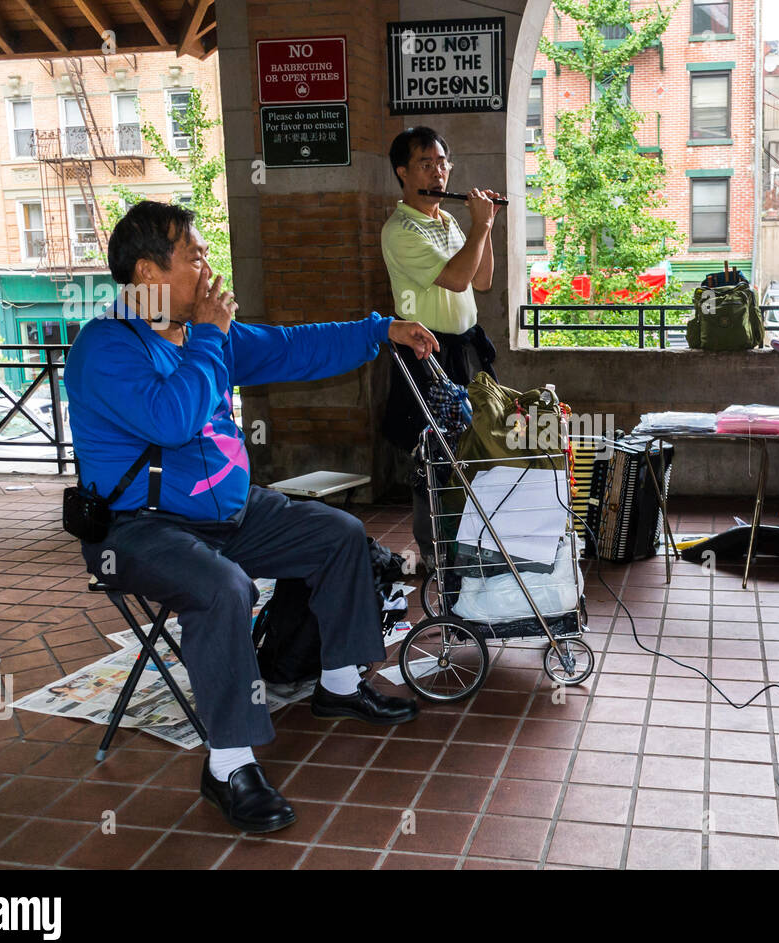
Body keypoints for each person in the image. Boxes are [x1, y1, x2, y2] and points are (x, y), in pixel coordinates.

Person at [65, 201, 440, 833]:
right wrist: (211, 336)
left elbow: (294, 348)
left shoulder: (205, 336)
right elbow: (172, 420)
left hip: (230, 512)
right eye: (196, 257)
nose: (210, 270)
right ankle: (228, 766)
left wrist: (381, 331)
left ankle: (340, 685)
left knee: (340, 535)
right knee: (221, 589)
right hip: (139, 528)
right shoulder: (103, 348)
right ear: (150, 274)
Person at [380, 126, 502, 570]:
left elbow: (482, 280)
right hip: (427, 354)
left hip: (465, 350)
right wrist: (482, 224)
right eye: (426, 164)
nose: (438, 173)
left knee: (470, 447)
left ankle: (468, 546)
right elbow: (455, 278)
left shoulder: (447, 220)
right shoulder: (399, 230)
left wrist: (480, 228)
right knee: (432, 453)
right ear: (403, 172)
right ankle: (435, 557)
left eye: (442, 163)